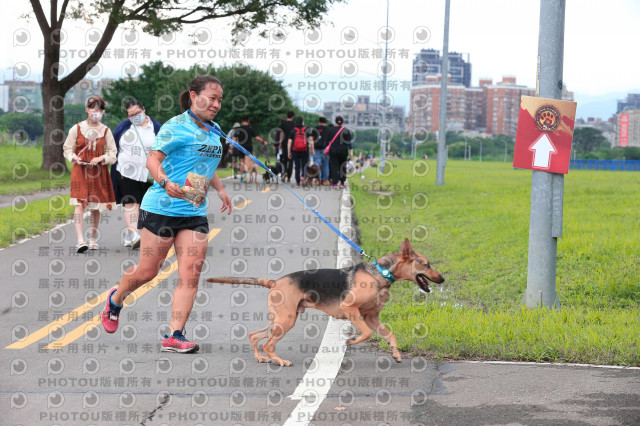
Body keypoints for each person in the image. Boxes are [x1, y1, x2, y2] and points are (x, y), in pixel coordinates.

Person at [101, 75, 232, 353]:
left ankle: (175, 335)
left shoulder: (213, 128)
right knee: (148, 271)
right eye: (212, 97)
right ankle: (116, 298)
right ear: (194, 96)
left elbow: (203, 162)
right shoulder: (176, 126)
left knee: (190, 275)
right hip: (161, 206)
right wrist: (165, 182)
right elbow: (153, 159)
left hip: (194, 210)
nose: (217, 104)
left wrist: (219, 189)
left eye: (220, 99)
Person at [63, 96, 117, 253]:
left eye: (100, 110)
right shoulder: (77, 129)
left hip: (98, 172)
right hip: (80, 171)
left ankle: (92, 237)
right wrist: (74, 158)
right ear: (87, 109)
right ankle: (80, 240)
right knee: (79, 205)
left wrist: (101, 158)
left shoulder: (105, 130)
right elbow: (67, 148)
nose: (97, 112)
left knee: (95, 207)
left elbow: (113, 153)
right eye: (94, 109)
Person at [111, 99, 162, 249]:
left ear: (144, 109)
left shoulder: (156, 127)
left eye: (137, 113)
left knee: (145, 206)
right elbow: (113, 147)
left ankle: (130, 233)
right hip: (125, 172)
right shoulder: (123, 128)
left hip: (149, 173)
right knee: (132, 204)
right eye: (131, 115)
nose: (135, 116)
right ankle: (134, 235)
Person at [233, 115, 267, 183]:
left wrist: (233, 146)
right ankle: (245, 174)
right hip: (248, 147)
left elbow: (234, 138)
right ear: (248, 121)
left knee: (242, 162)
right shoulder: (250, 128)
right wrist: (263, 142)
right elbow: (256, 138)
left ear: (242, 121)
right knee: (247, 162)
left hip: (240, 147)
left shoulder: (238, 129)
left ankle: (242, 177)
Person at [325, 116, 353, 188]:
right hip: (343, 151)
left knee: (334, 166)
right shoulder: (346, 130)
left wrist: (325, 149)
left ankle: (334, 183)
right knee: (342, 166)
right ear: (342, 122)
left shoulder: (330, 130)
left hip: (333, 151)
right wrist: (351, 151)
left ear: (335, 122)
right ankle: (342, 183)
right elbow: (349, 142)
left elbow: (326, 141)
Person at [287, 117, 314, 186]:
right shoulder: (307, 129)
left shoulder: (292, 130)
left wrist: (289, 152)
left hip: (295, 150)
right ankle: (303, 176)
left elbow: (289, 142)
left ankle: (298, 182)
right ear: (302, 122)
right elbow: (311, 141)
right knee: (305, 165)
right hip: (305, 150)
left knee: (297, 166)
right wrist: (312, 150)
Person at [311, 117, 330, 185]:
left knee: (317, 165)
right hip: (326, 150)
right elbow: (330, 141)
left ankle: (318, 180)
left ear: (319, 122)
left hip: (316, 149)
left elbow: (311, 140)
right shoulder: (328, 129)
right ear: (325, 122)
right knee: (325, 165)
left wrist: (312, 150)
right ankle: (325, 181)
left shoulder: (315, 128)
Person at [278, 111, 295, 182]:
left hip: (284, 143)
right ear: (293, 116)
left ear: (286, 115)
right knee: (291, 161)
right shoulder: (294, 124)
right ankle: (289, 177)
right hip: (292, 144)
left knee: (284, 160)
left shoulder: (283, 124)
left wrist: (280, 142)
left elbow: (281, 133)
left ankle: (283, 173)